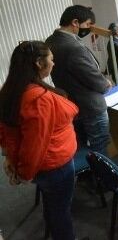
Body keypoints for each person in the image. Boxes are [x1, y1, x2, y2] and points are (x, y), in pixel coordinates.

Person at [0, 41, 79, 240]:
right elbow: (35, 144)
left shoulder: (12, 89)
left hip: (45, 167)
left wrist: (11, 159)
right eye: (51, 60)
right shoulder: (38, 98)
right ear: (38, 63)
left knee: (53, 205)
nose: (53, 63)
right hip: (54, 166)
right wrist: (23, 173)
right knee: (61, 212)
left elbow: (9, 132)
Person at [45, 5, 112, 156]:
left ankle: (88, 175)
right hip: (91, 106)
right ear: (75, 22)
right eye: (88, 25)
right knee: (99, 145)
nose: (89, 29)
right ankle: (103, 178)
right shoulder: (73, 46)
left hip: (72, 103)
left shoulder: (51, 41)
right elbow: (93, 79)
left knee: (81, 145)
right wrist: (105, 84)